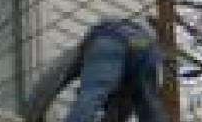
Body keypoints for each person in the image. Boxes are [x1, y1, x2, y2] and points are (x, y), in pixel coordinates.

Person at [26, 18, 166, 122]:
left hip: (112, 37)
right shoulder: (122, 99)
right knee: (150, 107)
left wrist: (32, 115)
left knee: (92, 93)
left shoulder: (82, 53)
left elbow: (50, 81)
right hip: (146, 46)